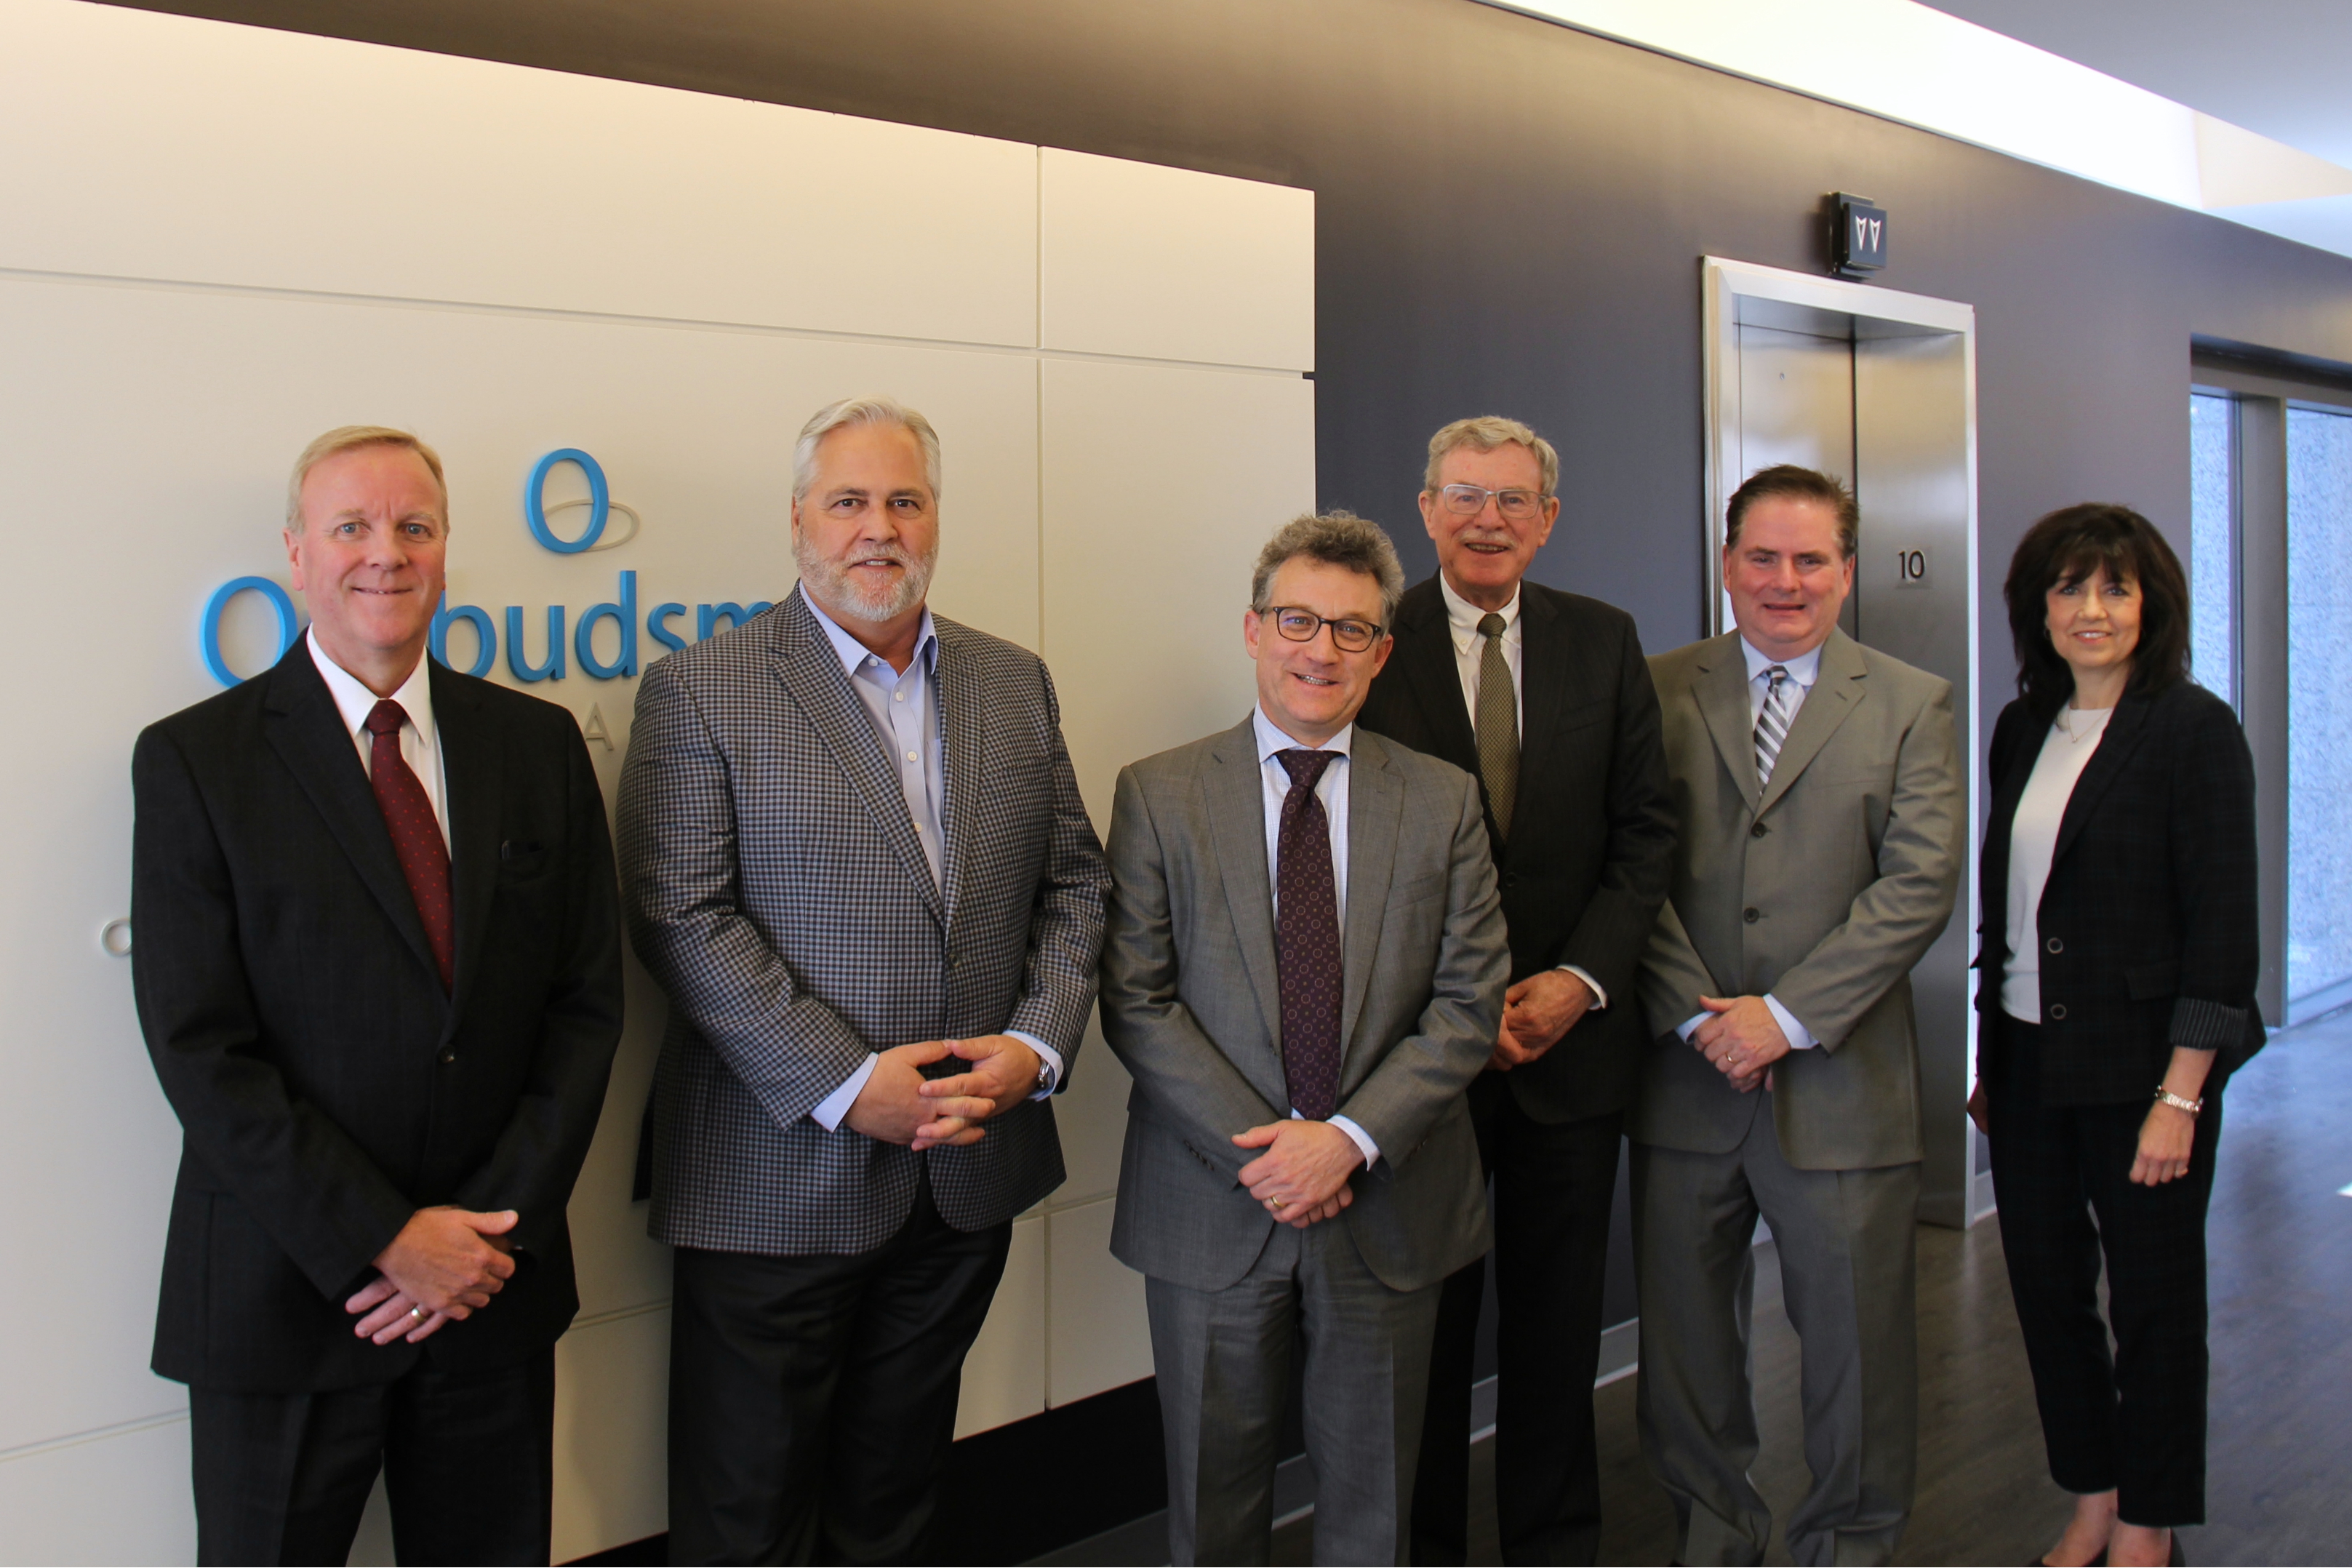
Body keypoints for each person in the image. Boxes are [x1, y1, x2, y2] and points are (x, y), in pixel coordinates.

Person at [619, 395, 1108, 1565]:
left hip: (962, 1174)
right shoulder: (703, 688)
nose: (875, 528)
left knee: (895, 1506)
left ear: (934, 517)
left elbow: (1075, 885)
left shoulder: (1012, 680)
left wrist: (1034, 1049)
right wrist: (846, 1083)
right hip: (773, 1182)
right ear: (797, 521)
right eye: (848, 501)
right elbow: (679, 914)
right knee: (747, 1521)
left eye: (903, 501)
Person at [130, 425, 626, 1565]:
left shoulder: (538, 746)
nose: (384, 554)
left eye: (413, 527)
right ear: (297, 554)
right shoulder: (198, 763)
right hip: (285, 1294)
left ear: (446, 552)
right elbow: (201, 1047)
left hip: (488, 1294)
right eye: (351, 526)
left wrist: (480, 1242)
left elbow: (583, 1008)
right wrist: (385, 1240)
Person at [1098, 510, 1510, 1566]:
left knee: (1374, 1510)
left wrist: (1346, 1142)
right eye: (1297, 620)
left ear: (1381, 651)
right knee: (1211, 1507)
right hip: (1212, 1202)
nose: (1319, 650)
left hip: (1389, 1197)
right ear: (1251, 629)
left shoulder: (1442, 800)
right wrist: (1277, 1151)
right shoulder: (1159, 793)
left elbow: (1468, 1005)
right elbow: (1137, 1000)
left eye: (1351, 630)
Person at [1356, 415, 1675, 1566]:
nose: (1487, 518)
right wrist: (1460, 1009)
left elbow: (1645, 836)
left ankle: (1553, 1546)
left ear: (1547, 521)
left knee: (1555, 1336)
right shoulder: (1369, 642)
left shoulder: (1602, 639)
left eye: (1511, 500)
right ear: (1427, 509)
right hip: (1417, 1065)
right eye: (1464, 495)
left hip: (1570, 1055)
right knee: (1423, 1340)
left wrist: (1577, 982)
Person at [1633, 463, 1962, 1567]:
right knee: (1684, 1361)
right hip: (1684, 1084)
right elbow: (1629, 870)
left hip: (1841, 1087)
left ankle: (1847, 1550)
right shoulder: (1654, 686)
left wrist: (1782, 1017)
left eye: (1809, 559)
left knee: (1858, 1361)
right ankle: (1714, 1542)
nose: (1785, 581)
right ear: (1727, 565)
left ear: (1845, 569)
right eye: (1762, 558)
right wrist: (1699, 1016)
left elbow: (1916, 886)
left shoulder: (1913, 701)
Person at [1971, 505, 2261, 1568]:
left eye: (2114, 588)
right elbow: (2010, 908)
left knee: (2152, 1306)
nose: (2089, 610)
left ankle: (2148, 1519)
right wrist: (1985, 1057)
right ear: (2035, 606)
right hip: (2025, 1064)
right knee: (2047, 1297)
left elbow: (2224, 935)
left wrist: (2181, 1097)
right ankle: (2090, 1496)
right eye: (2067, 588)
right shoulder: (2021, 727)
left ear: (2151, 606)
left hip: (2147, 1074)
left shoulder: (2190, 729)